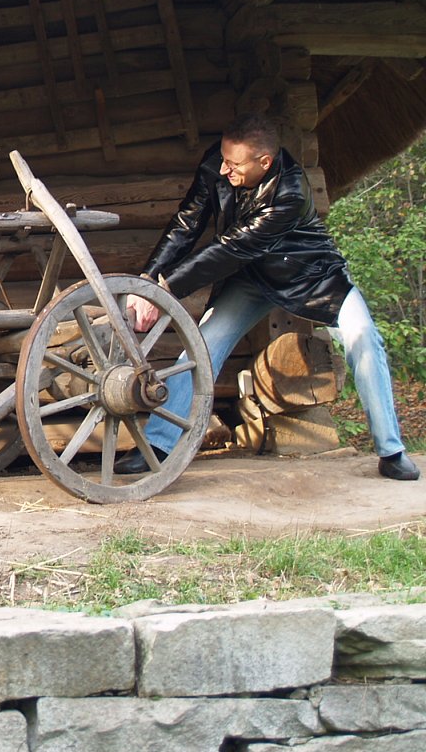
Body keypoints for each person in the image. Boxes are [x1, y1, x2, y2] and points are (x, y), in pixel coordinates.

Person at [123, 113, 420, 481]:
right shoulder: (219, 162)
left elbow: (231, 247)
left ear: (264, 162)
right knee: (200, 348)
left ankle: (391, 451)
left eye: (234, 165)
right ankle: (158, 446)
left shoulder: (289, 193)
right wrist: (149, 279)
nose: (225, 169)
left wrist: (164, 290)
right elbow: (188, 222)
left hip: (312, 275)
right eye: (224, 160)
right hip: (252, 277)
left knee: (364, 338)